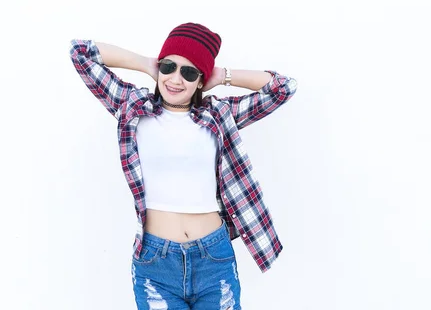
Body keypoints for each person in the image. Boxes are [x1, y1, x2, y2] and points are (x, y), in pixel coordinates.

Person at [69, 22, 297, 310]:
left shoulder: (218, 114)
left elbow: (283, 88)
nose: (175, 79)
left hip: (213, 258)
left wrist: (222, 76)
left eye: (189, 72)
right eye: (169, 67)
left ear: (201, 80)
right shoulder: (133, 106)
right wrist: (147, 65)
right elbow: (80, 53)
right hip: (156, 262)